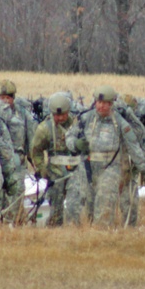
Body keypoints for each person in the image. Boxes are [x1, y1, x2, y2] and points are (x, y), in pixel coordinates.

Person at [66, 85, 145, 227]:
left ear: (111, 104)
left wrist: (143, 168)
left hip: (110, 168)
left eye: (105, 103)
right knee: (89, 208)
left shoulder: (120, 123)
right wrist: (76, 144)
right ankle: (88, 240)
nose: (102, 106)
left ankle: (102, 236)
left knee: (104, 206)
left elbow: (133, 146)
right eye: (99, 102)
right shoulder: (85, 118)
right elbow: (69, 136)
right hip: (87, 168)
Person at [30, 93, 85, 226]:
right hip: (55, 174)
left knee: (73, 207)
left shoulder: (78, 125)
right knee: (55, 210)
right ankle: (54, 233)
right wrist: (42, 168)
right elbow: (35, 151)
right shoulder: (44, 129)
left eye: (63, 114)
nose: (60, 118)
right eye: (56, 115)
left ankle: (74, 232)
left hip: (75, 172)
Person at [0, 80, 37, 221]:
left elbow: (31, 139)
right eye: (1, 98)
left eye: (8, 98)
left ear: (13, 98)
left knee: (15, 198)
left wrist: (34, 161)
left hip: (17, 163)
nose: (4, 101)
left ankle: (14, 225)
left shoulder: (23, 114)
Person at [118, 94, 145, 227]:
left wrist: (144, 166)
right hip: (115, 163)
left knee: (130, 198)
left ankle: (129, 227)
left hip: (130, 164)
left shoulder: (139, 125)